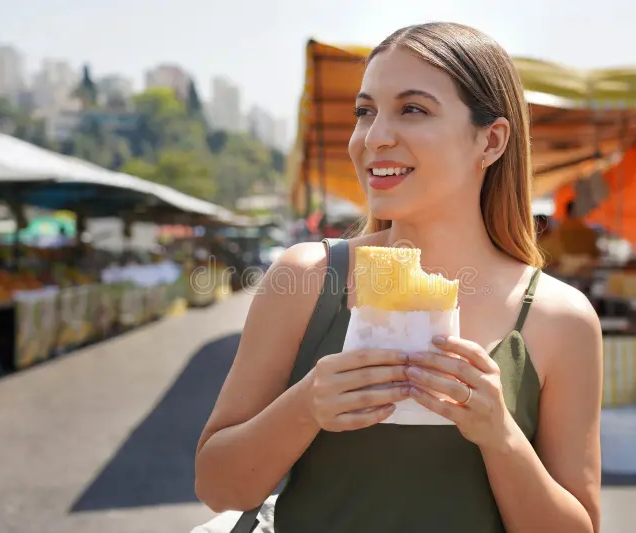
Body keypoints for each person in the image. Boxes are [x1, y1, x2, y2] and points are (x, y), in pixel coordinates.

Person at [195, 22, 602, 533]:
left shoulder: (561, 319)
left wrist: (501, 436)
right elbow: (217, 488)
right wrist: (305, 405)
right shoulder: (306, 280)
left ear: (491, 141)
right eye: (365, 112)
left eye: (413, 109)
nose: (374, 137)